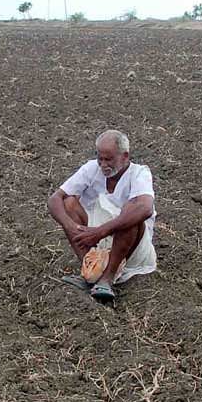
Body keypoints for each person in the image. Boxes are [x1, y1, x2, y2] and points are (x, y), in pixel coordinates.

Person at [47, 129, 157, 301]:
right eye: (100, 158)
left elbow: (145, 208)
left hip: (131, 246)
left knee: (132, 213)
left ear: (125, 156)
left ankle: (107, 278)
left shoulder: (139, 173)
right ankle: (91, 270)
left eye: (109, 159)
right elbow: (55, 199)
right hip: (97, 239)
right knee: (69, 202)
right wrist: (72, 228)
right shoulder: (91, 168)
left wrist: (99, 232)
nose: (103, 164)